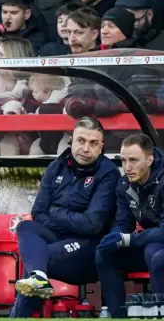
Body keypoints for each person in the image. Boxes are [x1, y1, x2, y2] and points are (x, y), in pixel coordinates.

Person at [9, 117, 120, 317]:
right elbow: (38, 212)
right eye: (81, 141)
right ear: (71, 140)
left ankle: (18, 314)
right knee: (26, 227)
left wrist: (56, 213)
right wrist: (73, 220)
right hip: (60, 238)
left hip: (88, 248)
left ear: (101, 147)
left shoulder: (109, 173)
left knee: (39, 257)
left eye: (93, 143)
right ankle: (38, 278)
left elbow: (93, 224)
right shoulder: (56, 167)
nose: (86, 148)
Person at [96, 134, 164, 318]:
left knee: (155, 254)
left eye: (133, 160)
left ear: (150, 159)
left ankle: (161, 312)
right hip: (150, 241)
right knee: (104, 253)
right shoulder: (125, 184)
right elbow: (123, 221)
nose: (127, 167)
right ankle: (118, 315)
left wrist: (127, 239)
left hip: (158, 245)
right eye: (123, 160)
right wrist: (115, 236)